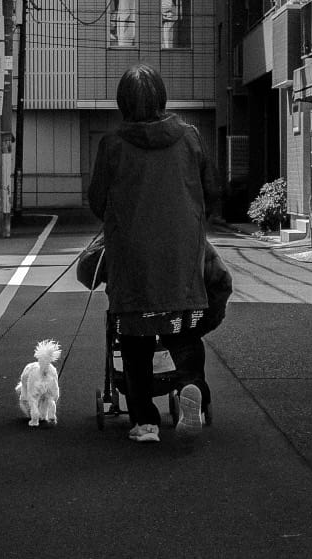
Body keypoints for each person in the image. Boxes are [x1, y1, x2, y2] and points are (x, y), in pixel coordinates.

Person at [88, 64, 221, 443]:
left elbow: (97, 201)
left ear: (122, 102)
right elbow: (212, 193)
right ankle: (191, 385)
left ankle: (145, 422)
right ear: (162, 97)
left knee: (135, 341)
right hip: (182, 259)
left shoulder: (112, 145)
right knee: (184, 331)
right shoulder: (190, 137)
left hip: (131, 263)